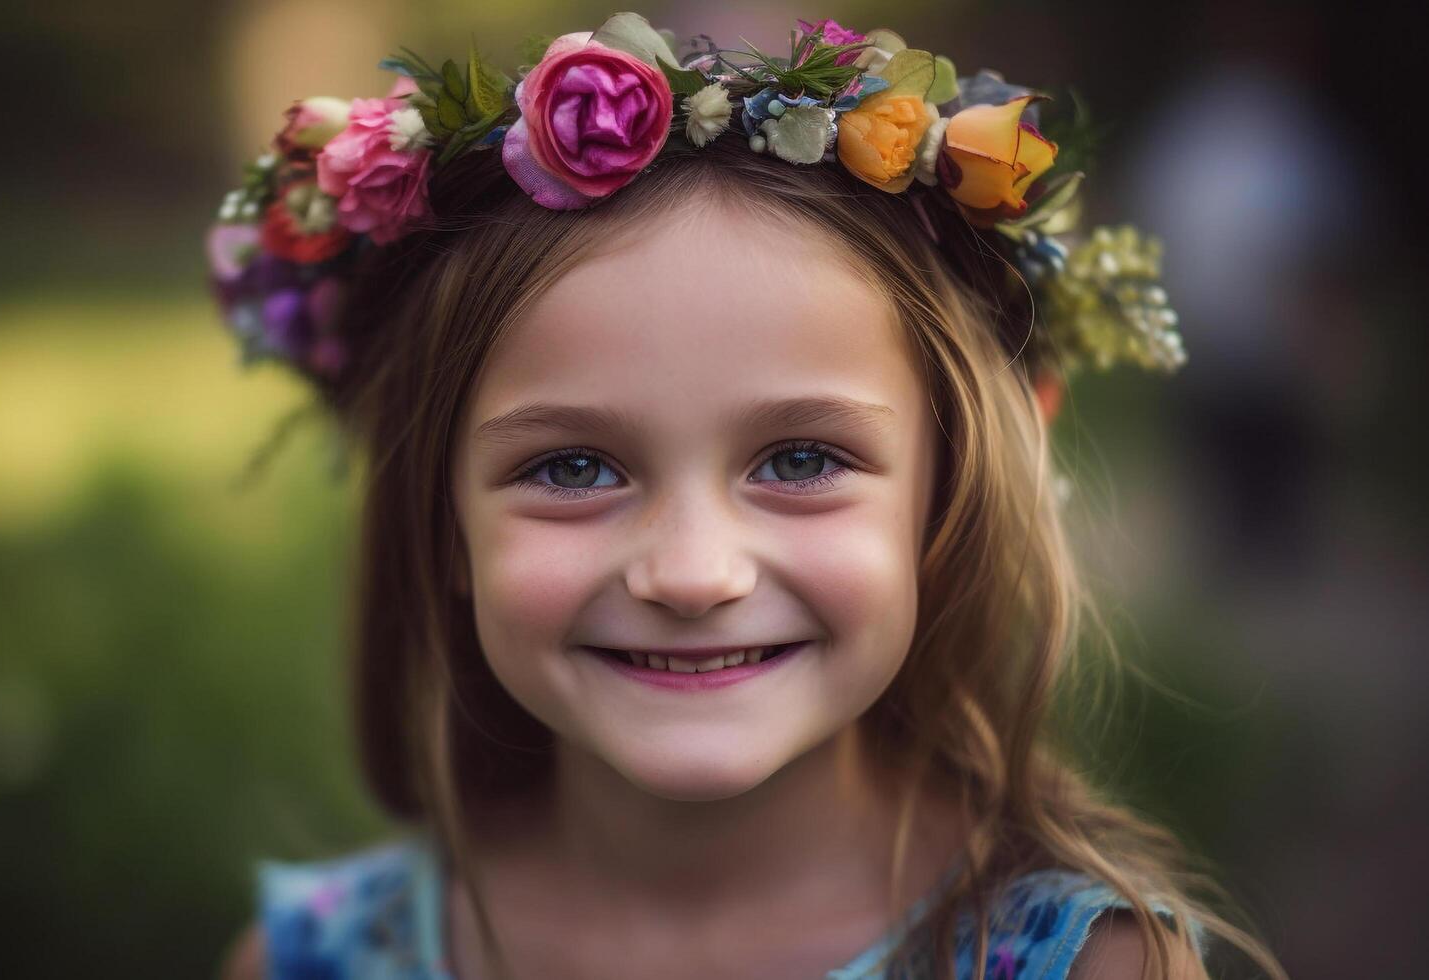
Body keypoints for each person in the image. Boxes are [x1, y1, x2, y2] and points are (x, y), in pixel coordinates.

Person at [206, 14, 1288, 980]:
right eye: (572, 467)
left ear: (943, 495)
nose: (689, 572)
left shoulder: (1095, 969)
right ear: (440, 519)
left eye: (801, 459)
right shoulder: (312, 961)